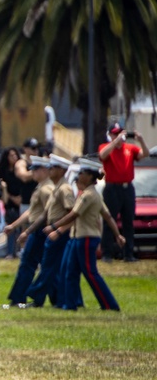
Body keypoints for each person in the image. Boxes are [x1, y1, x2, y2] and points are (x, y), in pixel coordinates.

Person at [48, 157, 124, 311]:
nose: (79, 175)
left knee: (90, 273)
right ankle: (70, 304)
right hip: (79, 237)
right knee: (71, 272)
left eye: (82, 172)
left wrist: (56, 225)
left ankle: (109, 305)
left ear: (89, 176)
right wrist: (118, 234)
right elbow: (107, 216)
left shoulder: (89, 195)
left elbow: (74, 215)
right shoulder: (91, 194)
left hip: (87, 238)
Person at [23, 155, 75, 308]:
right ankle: (55, 300)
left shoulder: (65, 189)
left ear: (61, 170)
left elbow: (72, 215)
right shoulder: (56, 187)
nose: (49, 170)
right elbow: (44, 215)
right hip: (52, 231)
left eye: (53, 168)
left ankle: (35, 295)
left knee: (49, 267)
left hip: (59, 233)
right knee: (52, 268)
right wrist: (27, 232)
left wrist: (58, 230)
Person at [2, 156, 53, 308]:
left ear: (44, 170)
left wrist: (28, 231)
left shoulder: (46, 190)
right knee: (41, 266)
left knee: (28, 264)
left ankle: (19, 298)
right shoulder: (41, 187)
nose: (33, 174)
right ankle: (45, 298)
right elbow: (32, 211)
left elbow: (46, 214)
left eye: (35, 170)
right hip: (37, 230)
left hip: (40, 231)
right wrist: (14, 225)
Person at [99, 123, 149, 262]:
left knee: (128, 222)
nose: (119, 136)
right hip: (112, 188)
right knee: (110, 220)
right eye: (116, 133)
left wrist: (141, 140)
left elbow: (144, 154)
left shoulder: (130, 148)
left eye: (121, 133)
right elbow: (102, 155)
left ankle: (128, 254)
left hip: (127, 189)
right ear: (111, 135)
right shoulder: (106, 147)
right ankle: (107, 253)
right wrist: (115, 142)